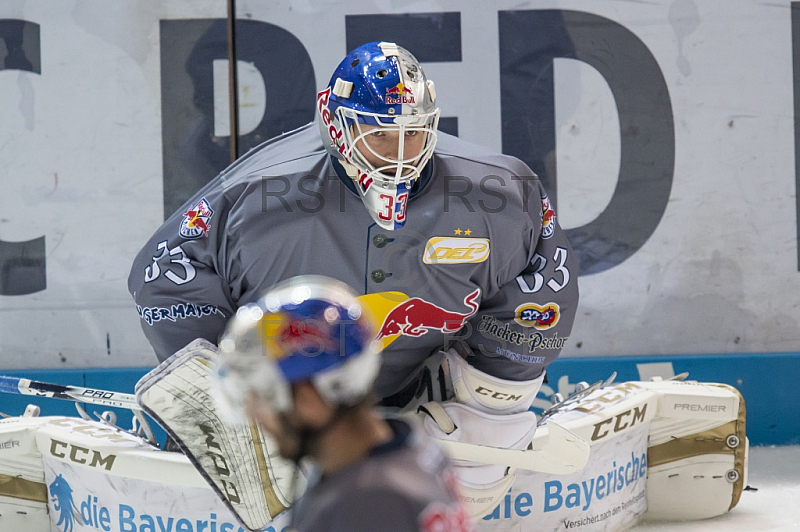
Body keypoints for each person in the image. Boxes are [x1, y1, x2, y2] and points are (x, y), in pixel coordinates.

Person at [128, 41, 579, 516]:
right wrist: (228, 398)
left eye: (413, 132)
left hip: (429, 388)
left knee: (476, 489)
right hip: (297, 397)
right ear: (336, 124)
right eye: (380, 134)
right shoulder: (255, 193)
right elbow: (163, 279)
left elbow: (546, 283)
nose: (400, 153)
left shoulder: (501, 191)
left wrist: (491, 403)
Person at [214, 275, 473, 532]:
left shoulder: (360, 504)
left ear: (308, 400)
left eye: (263, 403)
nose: (258, 419)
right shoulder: (411, 443)